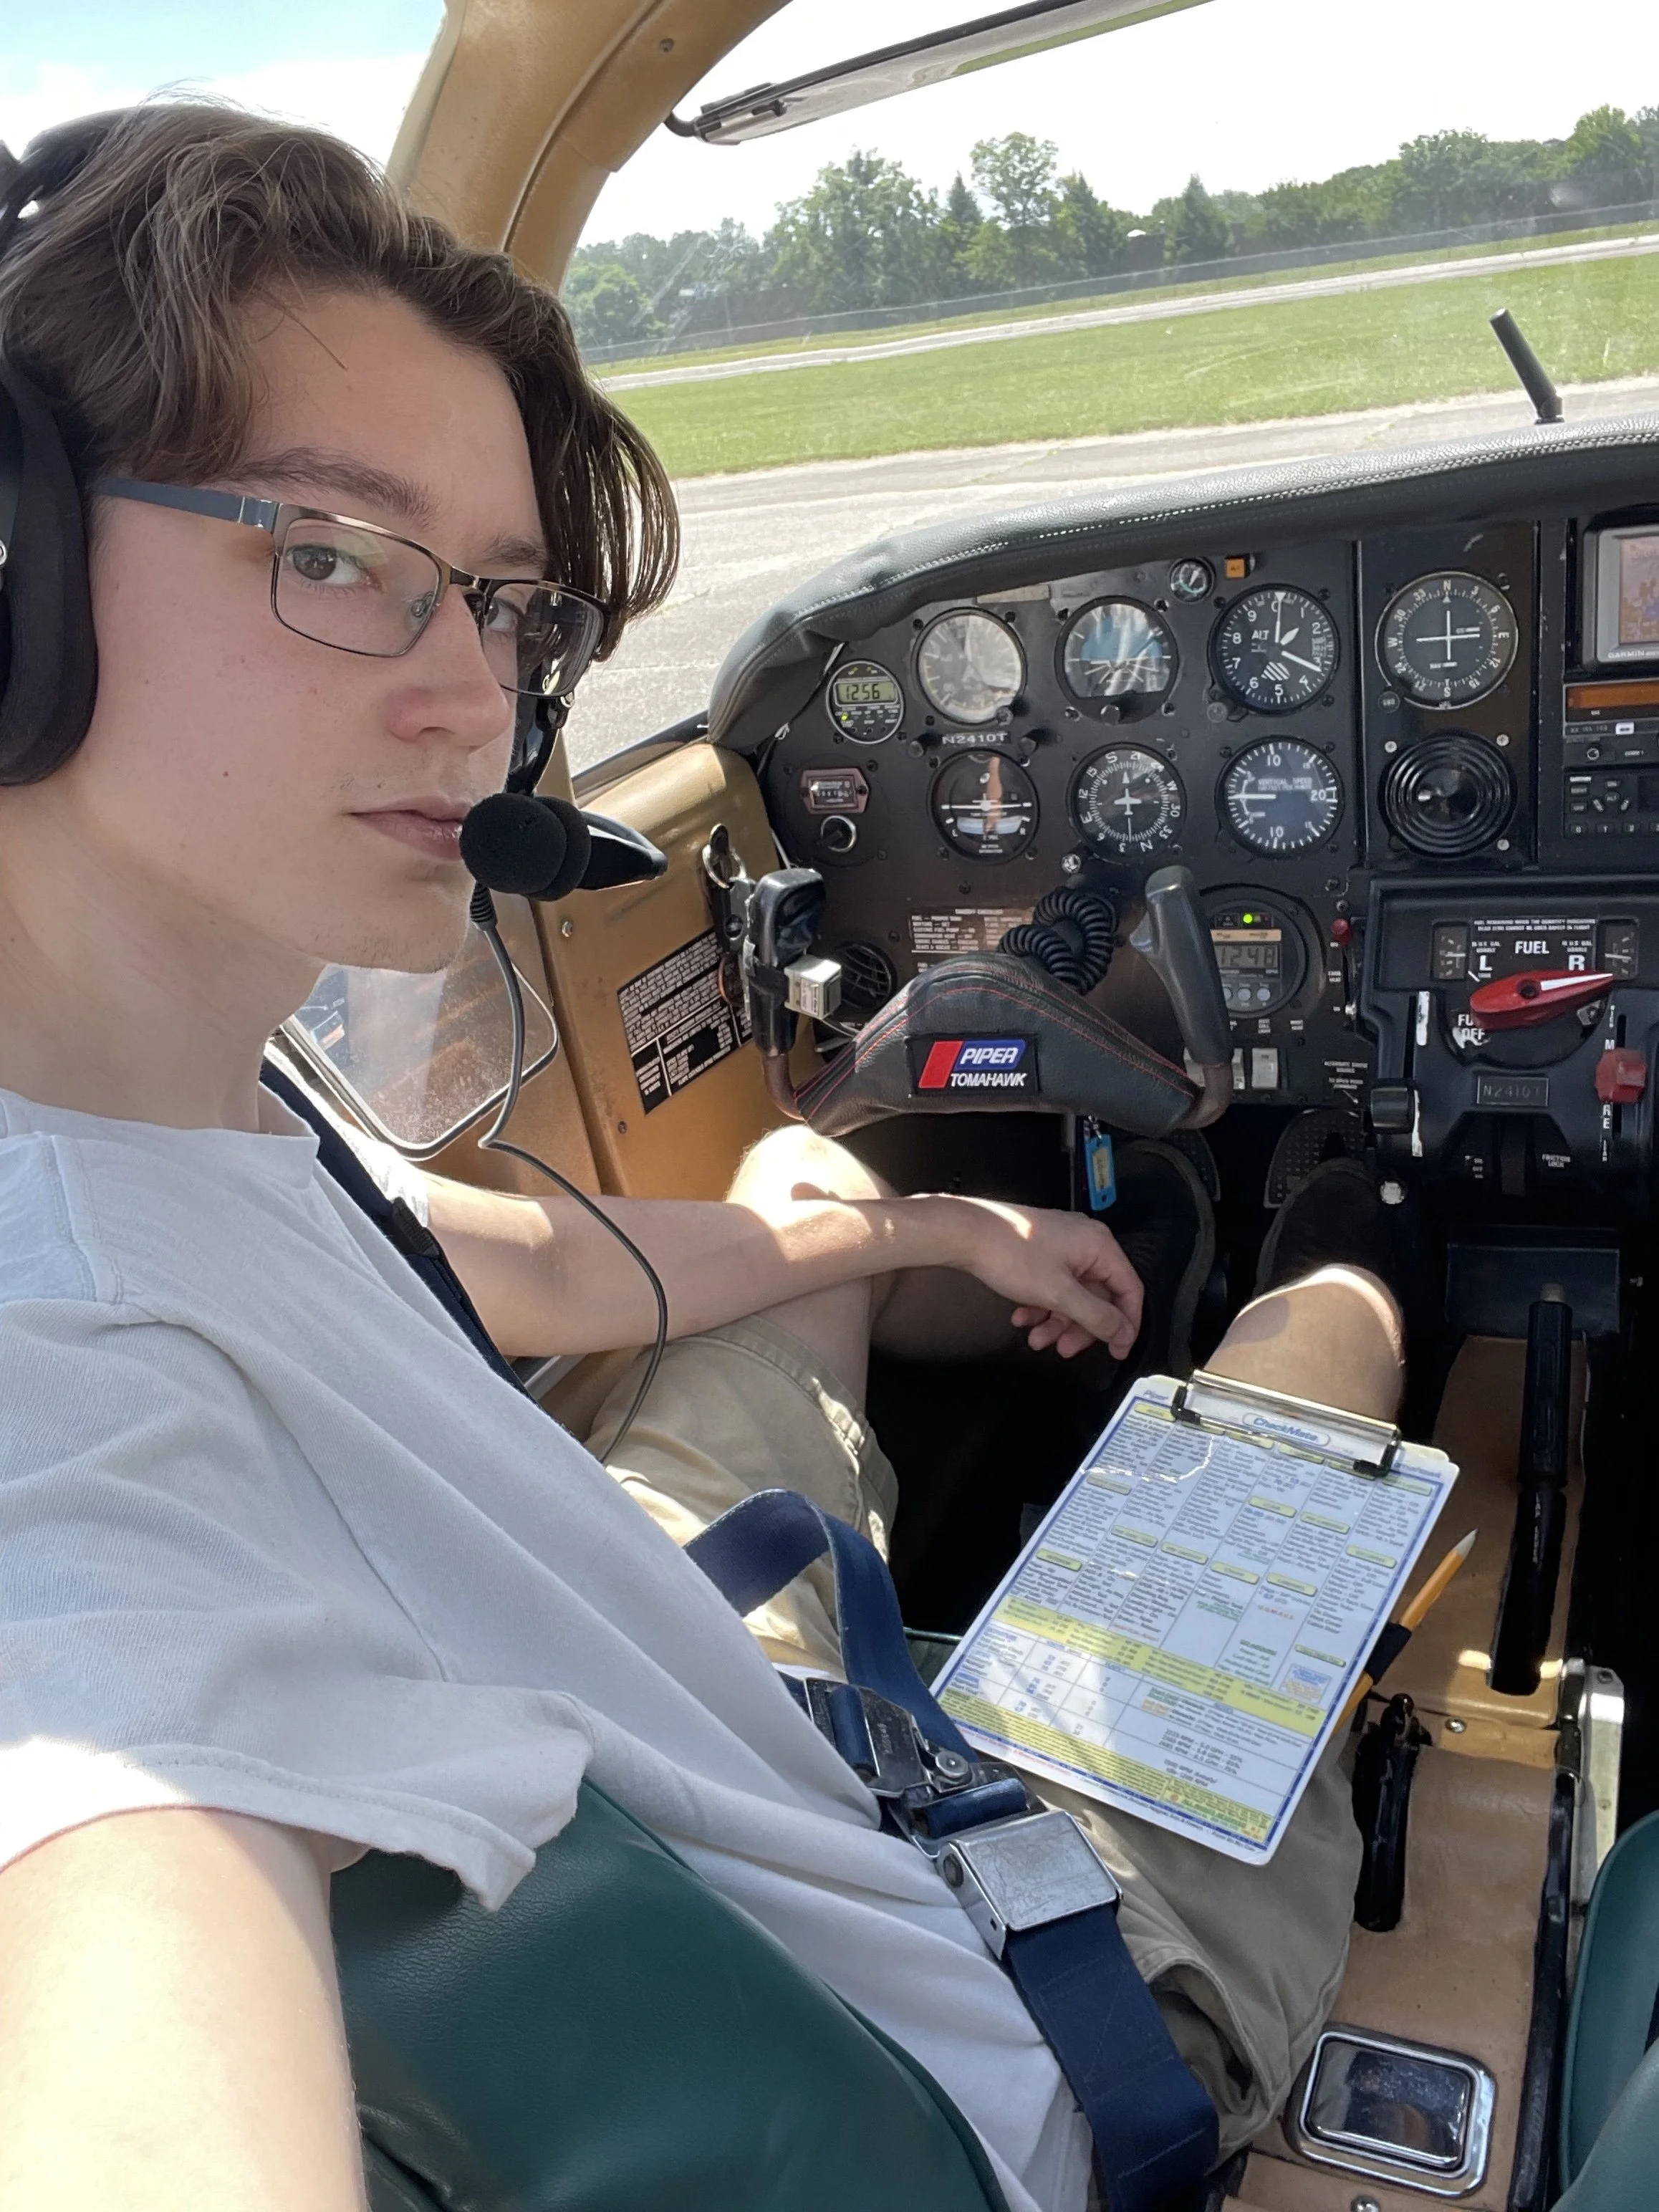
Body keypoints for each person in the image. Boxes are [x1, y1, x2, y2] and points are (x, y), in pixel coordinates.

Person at [0, 105, 1406, 2212]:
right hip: (998, 2020)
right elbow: (127, 1956)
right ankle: (1359, 1232)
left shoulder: (193, 1089)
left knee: (801, 1200)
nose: (478, 705)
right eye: (336, 555)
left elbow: (523, 1272)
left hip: (645, 1706)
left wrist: (938, 1219)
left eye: (504, 609)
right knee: (1325, 1339)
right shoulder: (68, 1403)